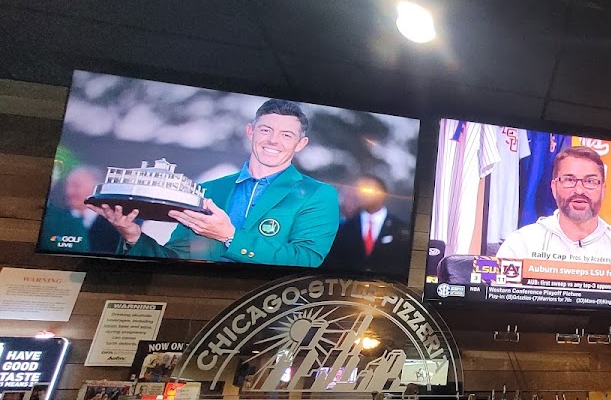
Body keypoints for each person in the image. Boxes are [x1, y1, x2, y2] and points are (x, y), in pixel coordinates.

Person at [90, 99, 339, 267]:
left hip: (268, 314)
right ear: (250, 132)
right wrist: (133, 235)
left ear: (300, 144)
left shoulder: (317, 194)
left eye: (286, 135)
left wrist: (229, 236)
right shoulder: (211, 189)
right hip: (200, 303)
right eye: (265, 130)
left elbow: (306, 259)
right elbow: (177, 258)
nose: (273, 141)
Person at [496, 146, 611, 261]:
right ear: (554, 187)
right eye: (569, 180)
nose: (579, 190)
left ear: (603, 190)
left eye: (590, 181)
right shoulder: (521, 245)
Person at [322, 175, 411, 273]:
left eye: (368, 189)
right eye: (360, 190)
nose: (363, 194)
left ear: (383, 194)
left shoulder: (401, 229)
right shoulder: (344, 229)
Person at [39, 166, 121, 253]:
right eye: (67, 185)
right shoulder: (53, 219)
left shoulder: (115, 224)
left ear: (96, 188)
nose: (69, 191)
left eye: (76, 186)